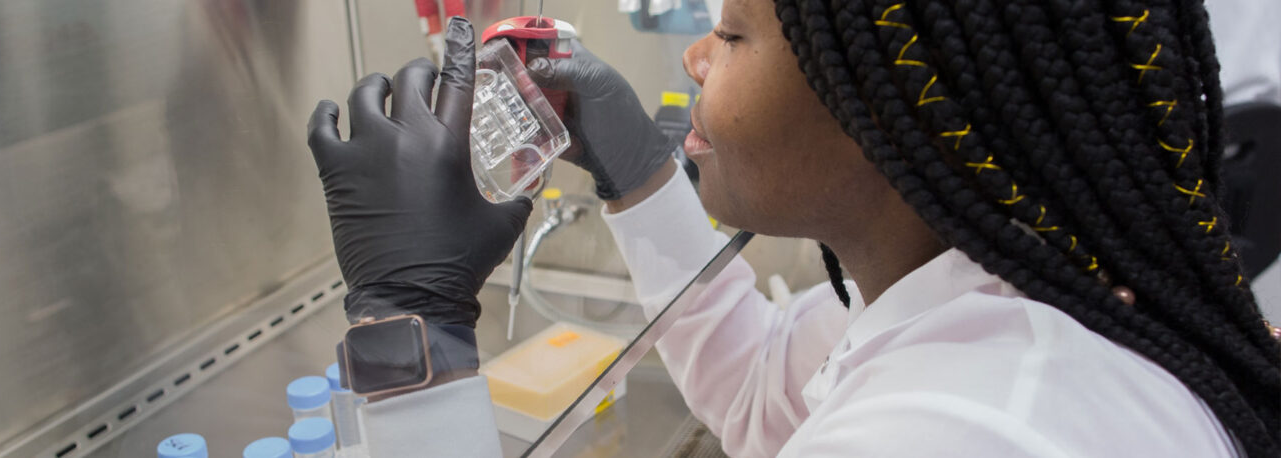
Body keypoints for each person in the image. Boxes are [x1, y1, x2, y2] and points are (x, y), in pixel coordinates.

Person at [304, 0, 1281, 456]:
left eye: (731, 36)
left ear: (887, 105)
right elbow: (766, 385)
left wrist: (410, 326)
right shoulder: (1003, 282)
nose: (694, 55)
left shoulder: (958, 435)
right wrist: (638, 169)